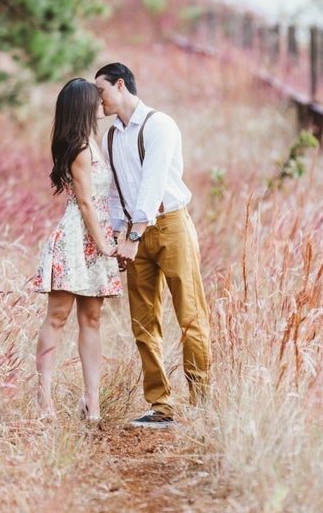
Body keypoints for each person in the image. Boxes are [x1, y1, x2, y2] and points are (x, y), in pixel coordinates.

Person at [94, 62, 211, 429]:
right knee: (143, 321)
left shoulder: (159, 124)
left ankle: (202, 404)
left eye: (101, 91)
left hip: (170, 225)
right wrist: (118, 236)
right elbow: (114, 193)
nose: (98, 100)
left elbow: (153, 183)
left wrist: (133, 236)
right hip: (133, 235)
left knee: (190, 315)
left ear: (119, 85)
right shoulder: (110, 137)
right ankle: (161, 406)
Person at [30, 78, 122, 423]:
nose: (101, 102)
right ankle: (45, 403)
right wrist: (103, 245)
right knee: (57, 317)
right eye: (94, 98)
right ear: (82, 107)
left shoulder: (94, 142)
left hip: (95, 236)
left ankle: (91, 402)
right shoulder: (81, 148)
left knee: (92, 319)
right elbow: (84, 201)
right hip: (76, 238)